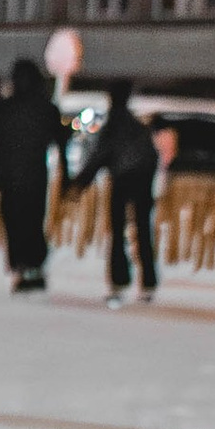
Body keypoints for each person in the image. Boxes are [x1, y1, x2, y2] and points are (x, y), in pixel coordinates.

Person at [0, 56, 67, 292]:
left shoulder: (2, 109)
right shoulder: (46, 109)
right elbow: (62, 142)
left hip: (9, 177)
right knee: (33, 220)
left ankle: (21, 266)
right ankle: (34, 266)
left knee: (14, 222)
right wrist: (67, 176)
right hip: (35, 175)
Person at [76, 75, 161, 303]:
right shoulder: (139, 126)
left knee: (117, 232)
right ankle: (148, 282)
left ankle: (119, 280)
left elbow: (99, 156)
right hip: (142, 181)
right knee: (143, 231)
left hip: (122, 180)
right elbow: (151, 156)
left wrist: (80, 183)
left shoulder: (113, 125)